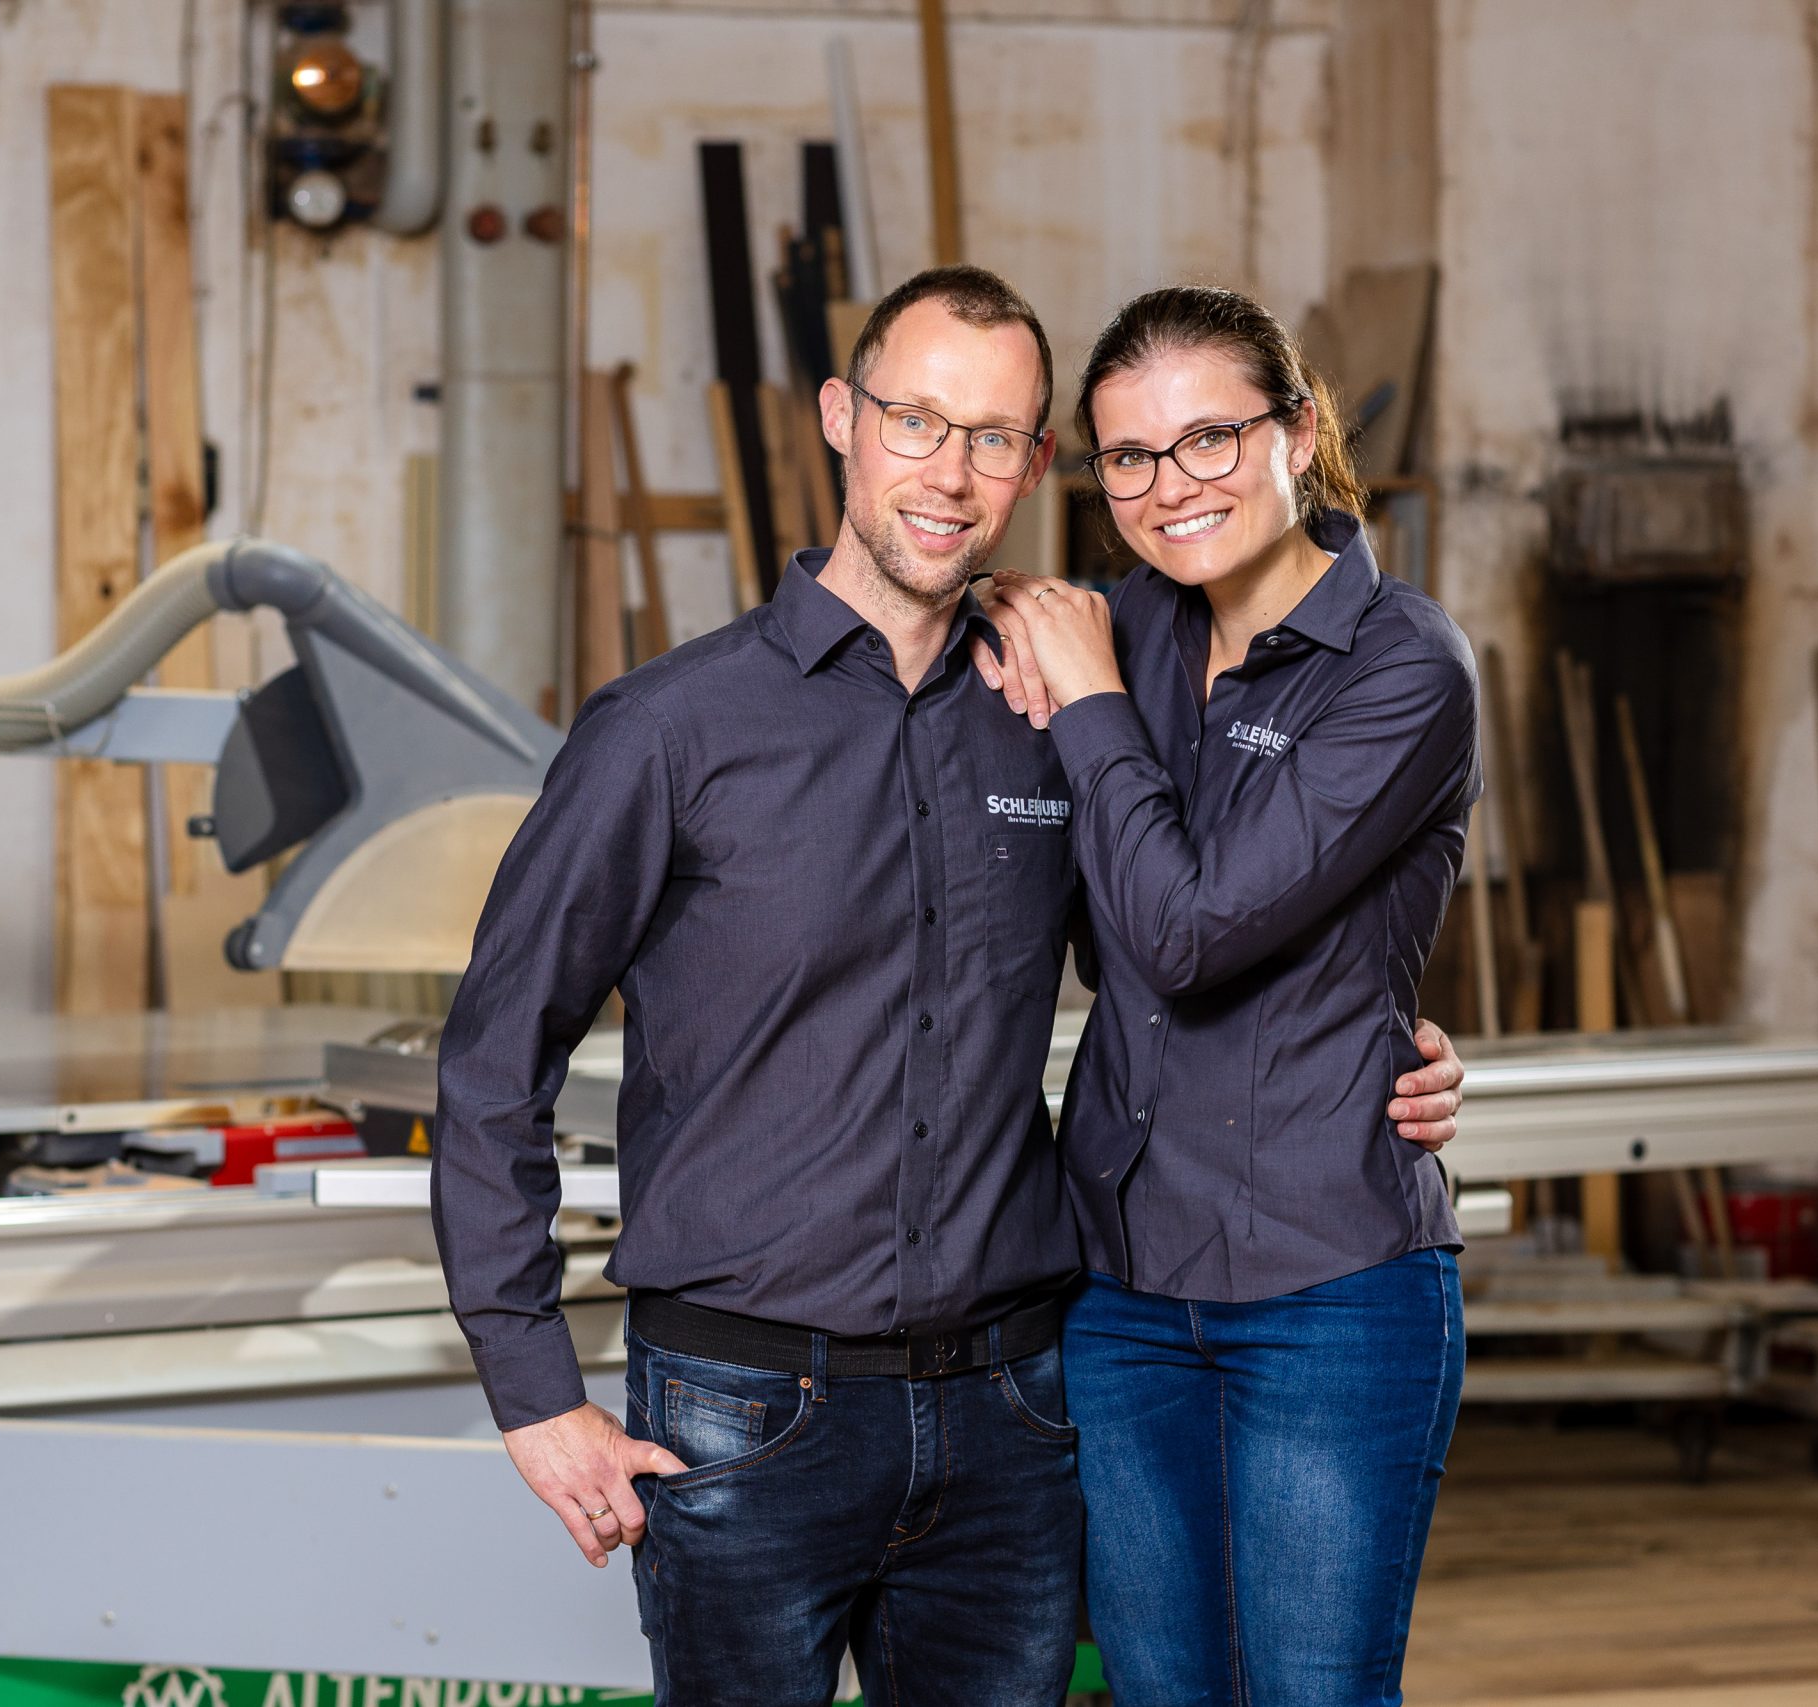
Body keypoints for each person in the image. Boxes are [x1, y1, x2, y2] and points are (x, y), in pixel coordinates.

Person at [432, 266, 1467, 1707]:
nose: (952, 471)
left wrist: (1381, 1033)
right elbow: (492, 1062)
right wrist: (534, 1392)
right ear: (841, 421)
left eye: (997, 436)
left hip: (1015, 1407)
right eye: (920, 421)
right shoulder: (669, 731)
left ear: (1037, 466)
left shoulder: (1059, 707)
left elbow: (1189, 935)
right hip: (742, 1409)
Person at [977, 282, 1481, 1706]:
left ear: (1298, 430)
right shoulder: (1113, 628)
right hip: (1122, 1286)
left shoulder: (1400, 664)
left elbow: (1192, 934)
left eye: (1210, 439)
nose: (1167, 486)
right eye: (1127, 456)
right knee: (1159, 1692)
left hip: (1327, 1284)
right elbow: (1081, 926)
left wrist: (1082, 702)